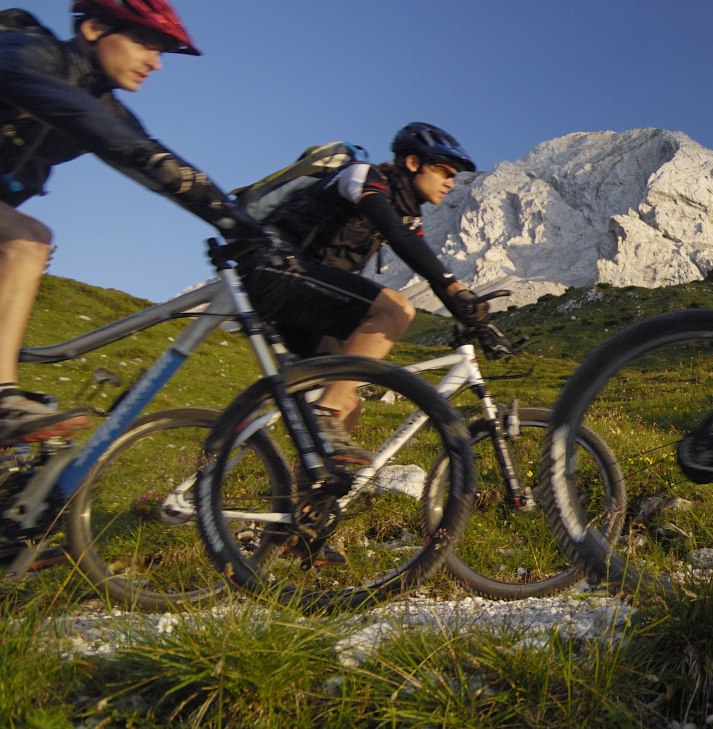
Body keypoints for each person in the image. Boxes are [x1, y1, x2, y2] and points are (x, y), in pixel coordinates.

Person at [0, 0, 274, 445]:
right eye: (146, 43)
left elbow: (156, 160)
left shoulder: (105, 108)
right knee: (29, 238)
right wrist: (143, 155)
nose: (156, 63)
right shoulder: (28, 49)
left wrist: (239, 224)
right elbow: (32, 85)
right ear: (92, 28)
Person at [239, 122, 492, 466]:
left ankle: (309, 503)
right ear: (413, 163)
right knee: (395, 311)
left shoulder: (406, 215)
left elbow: (424, 264)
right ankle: (323, 417)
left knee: (348, 403)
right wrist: (453, 285)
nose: (451, 181)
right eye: (444, 171)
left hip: (305, 297)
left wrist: (477, 319)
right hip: (276, 269)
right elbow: (396, 235)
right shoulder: (363, 177)